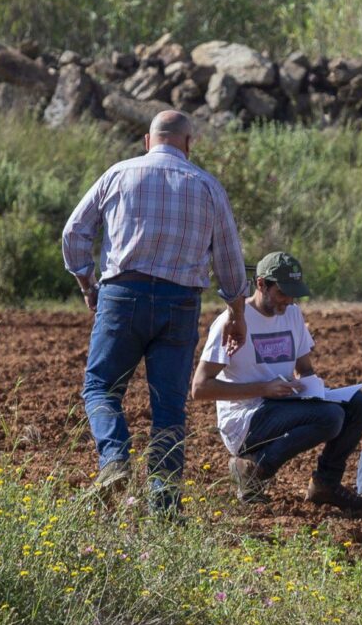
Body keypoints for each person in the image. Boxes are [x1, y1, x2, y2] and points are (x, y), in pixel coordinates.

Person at [61, 110, 249, 513]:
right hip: (180, 304)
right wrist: (237, 312)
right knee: (168, 406)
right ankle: (163, 504)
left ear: (149, 141)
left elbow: (74, 232)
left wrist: (86, 284)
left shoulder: (118, 174)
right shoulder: (207, 186)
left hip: (121, 295)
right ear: (188, 143)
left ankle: (114, 460)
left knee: (101, 388)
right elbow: (230, 259)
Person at [191, 252, 362, 511]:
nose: (287, 301)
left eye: (293, 295)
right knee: (330, 417)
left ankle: (326, 484)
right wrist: (263, 389)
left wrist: (315, 390)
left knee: (360, 405)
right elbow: (200, 388)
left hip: (282, 404)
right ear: (261, 285)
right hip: (245, 419)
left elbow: (305, 369)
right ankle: (253, 469)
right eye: (281, 293)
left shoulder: (292, 314)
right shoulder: (233, 321)